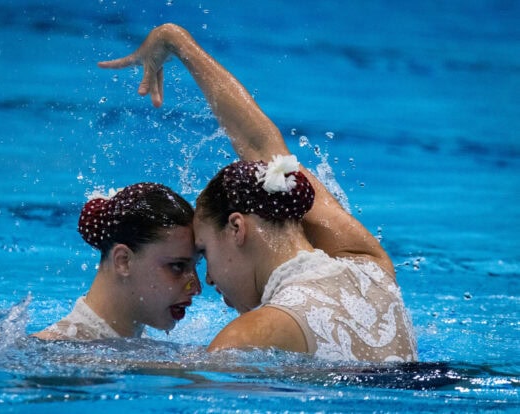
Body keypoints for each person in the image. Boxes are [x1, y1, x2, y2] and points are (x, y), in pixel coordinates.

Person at [97, 24, 417, 362]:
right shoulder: (370, 266)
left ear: (237, 228)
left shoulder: (250, 337)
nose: (205, 279)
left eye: (205, 253)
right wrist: (176, 42)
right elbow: (262, 146)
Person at [31, 182, 202, 340]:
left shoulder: (133, 342)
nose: (196, 288)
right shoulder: (52, 353)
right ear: (123, 261)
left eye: (196, 266)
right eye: (177, 266)